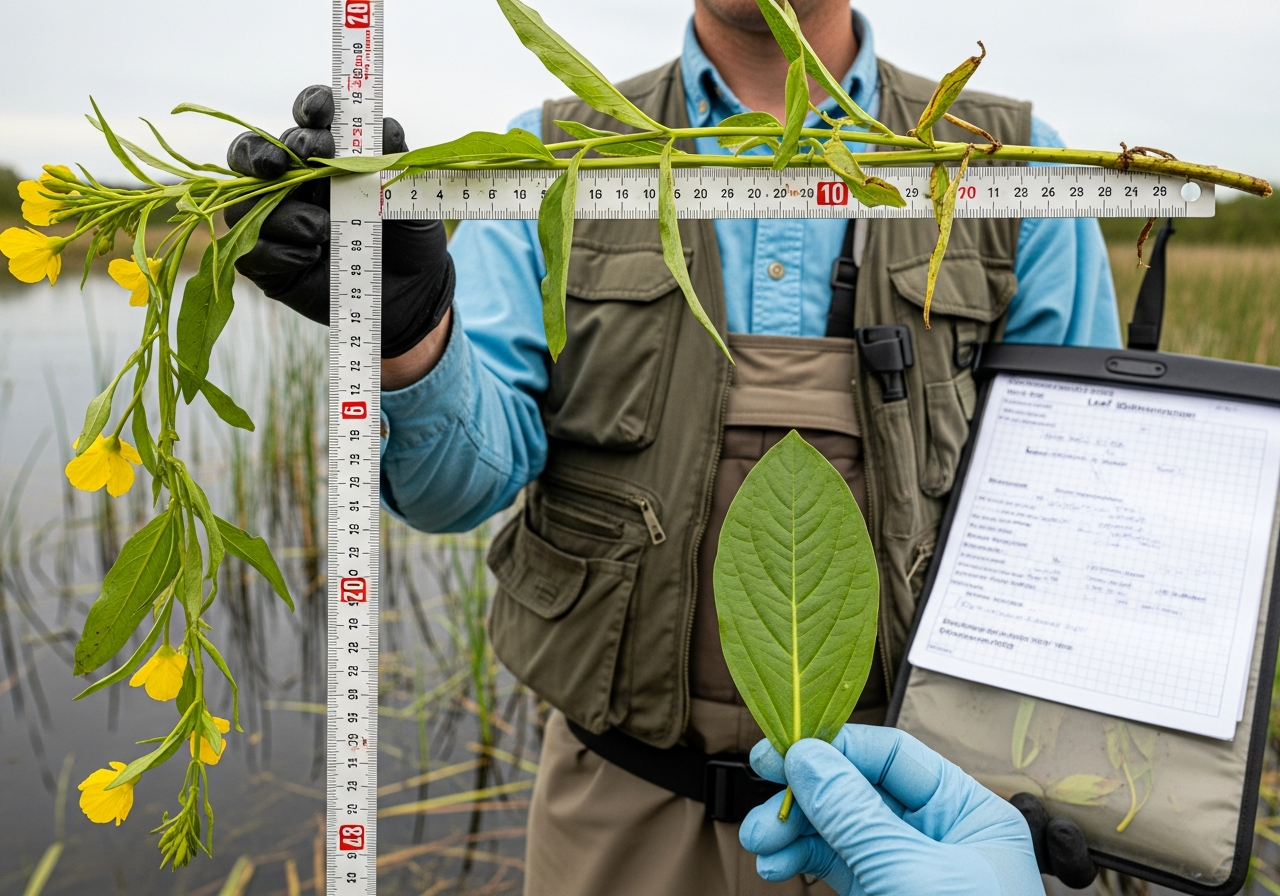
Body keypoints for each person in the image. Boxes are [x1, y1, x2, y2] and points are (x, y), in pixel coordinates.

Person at [227, 1, 1117, 892]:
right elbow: (454, 489)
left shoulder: (1010, 161)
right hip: (618, 806)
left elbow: (1078, 519)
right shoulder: (549, 153)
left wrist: (1060, 771)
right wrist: (407, 333)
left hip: (926, 813)